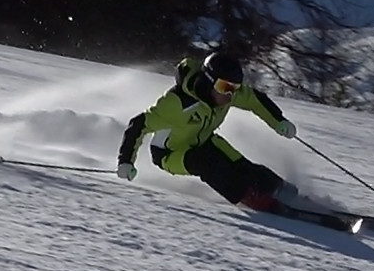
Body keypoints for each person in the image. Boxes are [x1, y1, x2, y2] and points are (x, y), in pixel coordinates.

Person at [115, 52, 298, 211]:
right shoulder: (178, 104)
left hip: (204, 140)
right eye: (224, 87)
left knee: (243, 166)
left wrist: (279, 122)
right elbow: (138, 125)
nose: (229, 95)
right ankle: (252, 198)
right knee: (206, 164)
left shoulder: (226, 95)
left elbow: (255, 100)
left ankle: (284, 191)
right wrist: (126, 161)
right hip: (171, 153)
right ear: (208, 82)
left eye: (234, 89)